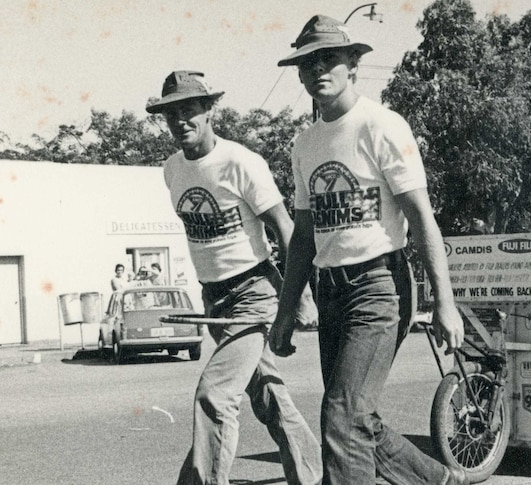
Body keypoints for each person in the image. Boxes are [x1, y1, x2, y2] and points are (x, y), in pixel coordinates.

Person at [269, 15, 467, 485]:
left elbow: (421, 217)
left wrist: (446, 303)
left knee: (342, 417)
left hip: (379, 286)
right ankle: (436, 480)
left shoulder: (381, 125)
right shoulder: (305, 144)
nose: (319, 69)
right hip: (331, 290)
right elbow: (302, 234)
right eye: (308, 61)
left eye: (330, 58)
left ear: (353, 64)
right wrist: (285, 309)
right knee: (359, 417)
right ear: (298, 72)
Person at [145, 70, 322, 485]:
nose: (180, 121)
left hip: (254, 291)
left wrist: (301, 294)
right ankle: (314, 474)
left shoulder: (240, 161)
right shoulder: (172, 170)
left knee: (215, 396)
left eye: (189, 111)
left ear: (209, 111)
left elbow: (285, 226)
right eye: (171, 114)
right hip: (215, 299)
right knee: (268, 396)